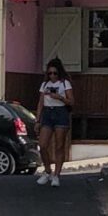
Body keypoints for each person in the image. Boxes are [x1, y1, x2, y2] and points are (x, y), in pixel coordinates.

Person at [34, 58, 74, 188]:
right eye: (50, 73)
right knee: (43, 144)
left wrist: (60, 98)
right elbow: (40, 103)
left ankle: (57, 174)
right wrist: (38, 120)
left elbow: (72, 101)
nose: (52, 76)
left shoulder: (64, 83)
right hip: (47, 113)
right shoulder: (44, 85)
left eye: (55, 73)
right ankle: (47, 170)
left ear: (59, 73)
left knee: (59, 145)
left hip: (60, 113)